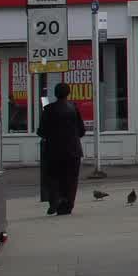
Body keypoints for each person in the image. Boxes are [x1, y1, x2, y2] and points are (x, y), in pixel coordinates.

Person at [38, 82, 86, 216]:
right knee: (71, 179)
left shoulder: (48, 110)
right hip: (73, 150)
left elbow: (42, 131)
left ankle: (56, 199)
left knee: (54, 177)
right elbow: (81, 130)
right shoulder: (73, 108)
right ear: (68, 93)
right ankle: (67, 204)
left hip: (54, 151)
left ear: (55, 94)